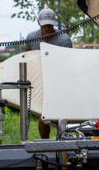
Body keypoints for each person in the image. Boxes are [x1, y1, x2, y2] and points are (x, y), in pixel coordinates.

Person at [23, 8, 73, 138]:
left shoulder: (64, 41)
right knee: (42, 116)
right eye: (45, 26)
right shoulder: (31, 38)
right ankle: (45, 142)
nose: (48, 29)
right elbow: (26, 57)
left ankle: (60, 143)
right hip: (40, 81)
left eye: (50, 26)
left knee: (60, 117)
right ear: (39, 23)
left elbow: (68, 64)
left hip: (59, 81)